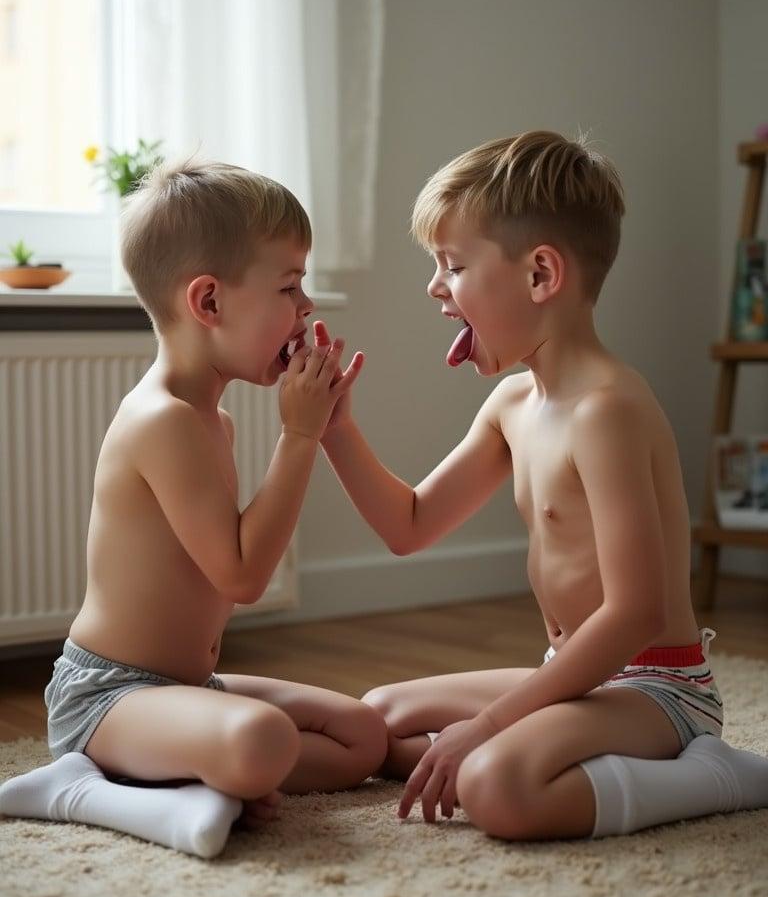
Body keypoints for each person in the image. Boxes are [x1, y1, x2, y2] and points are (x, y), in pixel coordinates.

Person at [316, 131, 768, 839]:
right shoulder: (511, 405)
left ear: (540, 275)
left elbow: (637, 613)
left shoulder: (608, 410)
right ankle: (549, 756)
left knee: (494, 784)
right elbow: (407, 526)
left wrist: (492, 726)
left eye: (454, 265)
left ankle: (721, 774)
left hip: (656, 688)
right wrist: (335, 430)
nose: (436, 286)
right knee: (379, 720)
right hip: (575, 672)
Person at [0, 159, 386, 857]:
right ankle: (77, 789)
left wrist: (314, 431)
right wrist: (299, 437)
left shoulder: (214, 422)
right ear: (208, 302)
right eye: (290, 286)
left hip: (187, 685)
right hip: (108, 699)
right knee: (262, 740)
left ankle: (203, 777)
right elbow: (242, 578)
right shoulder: (164, 421)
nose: (307, 309)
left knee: (362, 736)